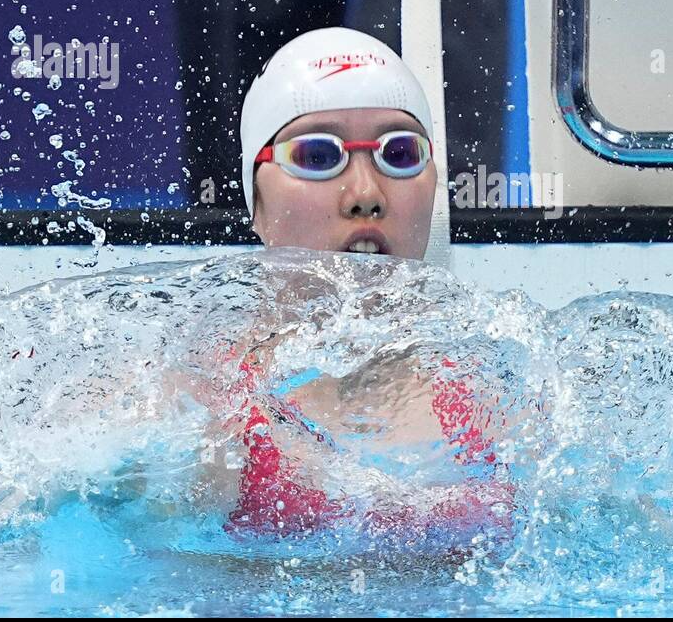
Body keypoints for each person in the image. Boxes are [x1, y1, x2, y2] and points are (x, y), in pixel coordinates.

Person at [213, 27, 513, 541]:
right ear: (255, 203)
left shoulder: (505, 404)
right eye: (317, 156)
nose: (366, 195)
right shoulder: (202, 408)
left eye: (398, 153)